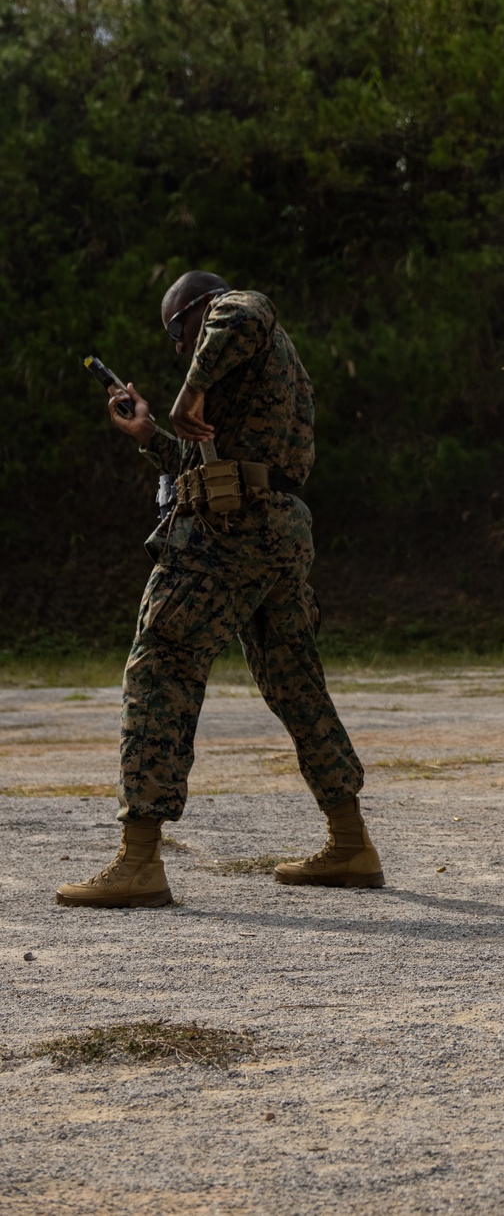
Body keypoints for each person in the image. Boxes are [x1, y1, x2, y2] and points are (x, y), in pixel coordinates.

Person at [57, 273, 384, 908]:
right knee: (295, 682)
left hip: (230, 534)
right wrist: (151, 432)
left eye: (178, 331)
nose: (180, 348)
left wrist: (189, 392)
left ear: (198, 311)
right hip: (275, 529)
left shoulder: (238, 316)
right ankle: (351, 842)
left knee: (161, 663)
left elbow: (248, 306)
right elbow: (212, 464)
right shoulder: (258, 376)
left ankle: (139, 860)